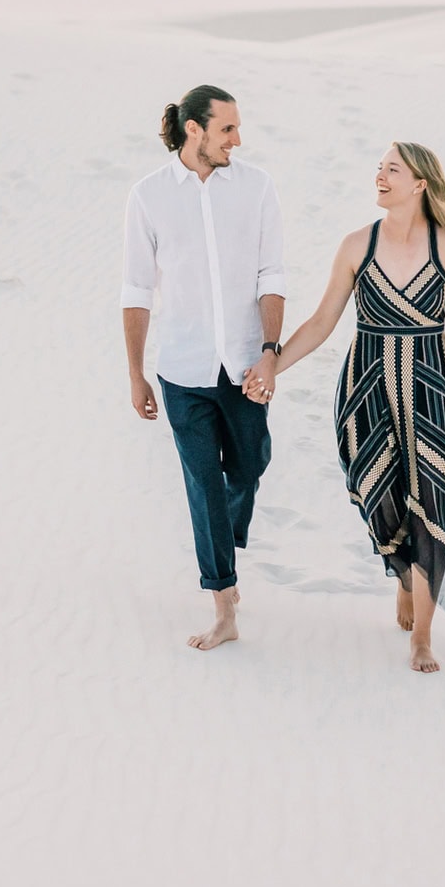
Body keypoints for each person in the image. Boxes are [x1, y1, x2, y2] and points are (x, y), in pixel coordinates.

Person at [254, 142, 445, 672]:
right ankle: (403, 575)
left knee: (433, 504)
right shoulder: (358, 245)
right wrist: (272, 367)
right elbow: (324, 320)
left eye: (391, 169)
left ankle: (423, 634)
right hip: (367, 390)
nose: (379, 175)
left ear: (419, 183)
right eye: (379, 168)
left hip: (431, 389)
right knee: (383, 499)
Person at [122, 85, 286, 651]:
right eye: (227, 130)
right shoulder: (148, 197)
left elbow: (272, 275)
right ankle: (223, 600)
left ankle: (224, 545)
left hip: (244, 366)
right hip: (181, 370)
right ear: (194, 129)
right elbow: (137, 290)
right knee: (202, 487)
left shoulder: (257, 187)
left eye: (237, 129)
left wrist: (270, 350)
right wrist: (136, 373)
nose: (237, 140)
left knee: (248, 467)